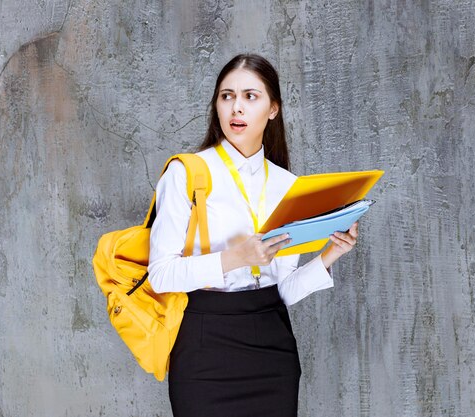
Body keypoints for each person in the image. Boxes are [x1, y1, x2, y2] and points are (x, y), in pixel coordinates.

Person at [148, 54, 359, 417]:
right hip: (203, 345)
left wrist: (329, 256)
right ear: (216, 105)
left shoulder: (288, 185)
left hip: (271, 347)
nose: (236, 108)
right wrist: (237, 258)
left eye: (250, 96)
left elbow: (282, 291)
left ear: (273, 109)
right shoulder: (187, 173)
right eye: (227, 96)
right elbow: (161, 275)